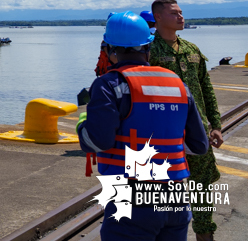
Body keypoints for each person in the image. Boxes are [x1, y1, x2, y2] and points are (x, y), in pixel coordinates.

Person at [77, 12, 209, 240]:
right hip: (175, 196)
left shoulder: (109, 85)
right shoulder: (178, 84)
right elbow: (198, 146)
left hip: (131, 197)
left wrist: (82, 126)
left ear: (110, 50)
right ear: (148, 47)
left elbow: (99, 141)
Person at [150, 0, 223, 239]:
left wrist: (216, 125)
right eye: (174, 13)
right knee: (163, 194)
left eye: (181, 13)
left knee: (202, 190)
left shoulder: (192, 50)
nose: (181, 17)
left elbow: (206, 88)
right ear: (158, 17)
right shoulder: (149, 51)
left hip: (197, 132)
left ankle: (205, 235)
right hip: (163, 136)